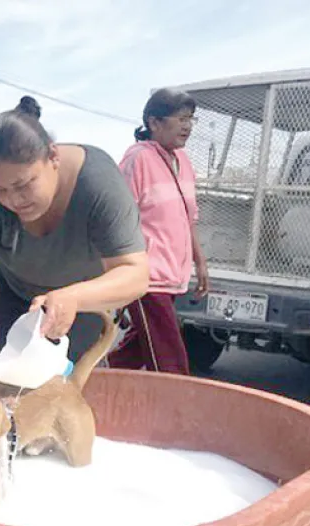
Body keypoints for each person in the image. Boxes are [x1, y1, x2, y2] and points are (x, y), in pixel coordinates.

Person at [0, 95, 149, 378]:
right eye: (1, 189)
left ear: (53, 156)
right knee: (0, 388)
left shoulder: (98, 184)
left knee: (66, 395)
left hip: (81, 299)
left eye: (24, 184)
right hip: (11, 295)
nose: (14, 200)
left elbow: (136, 273)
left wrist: (74, 297)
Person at [106, 88, 209, 375]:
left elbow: (190, 218)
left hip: (173, 273)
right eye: (181, 119)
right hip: (145, 277)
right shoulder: (137, 160)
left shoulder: (183, 162)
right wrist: (117, 276)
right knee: (170, 359)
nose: (188, 126)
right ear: (154, 123)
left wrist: (200, 262)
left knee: (143, 344)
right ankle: (179, 411)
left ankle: (101, 378)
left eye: (191, 119)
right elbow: (115, 220)